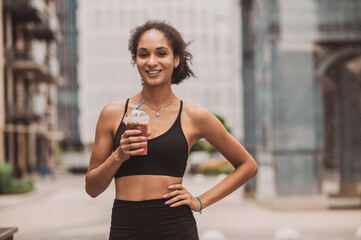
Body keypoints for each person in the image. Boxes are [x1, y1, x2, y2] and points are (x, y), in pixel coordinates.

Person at [85, 20, 257, 240]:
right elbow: (92, 188)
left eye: (161, 53)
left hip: (175, 227)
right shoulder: (112, 113)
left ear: (176, 60)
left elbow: (248, 166)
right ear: (135, 60)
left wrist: (200, 201)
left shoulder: (195, 116)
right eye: (143, 54)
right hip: (125, 226)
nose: (152, 62)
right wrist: (118, 155)